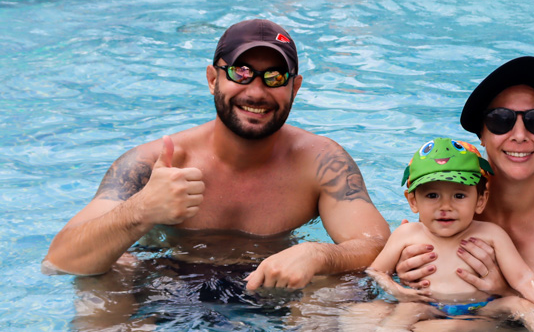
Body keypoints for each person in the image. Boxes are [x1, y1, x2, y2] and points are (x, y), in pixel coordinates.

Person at [44, 19, 390, 292]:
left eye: (274, 77)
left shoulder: (321, 162)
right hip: (169, 288)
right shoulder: (151, 163)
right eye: (241, 73)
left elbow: (377, 246)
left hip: (274, 289)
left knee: (342, 285)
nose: (256, 92)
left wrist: (319, 254)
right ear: (212, 79)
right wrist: (142, 210)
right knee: (104, 277)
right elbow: (60, 260)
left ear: (294, 88)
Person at [395, 58, 534, 332]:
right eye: (500, 120)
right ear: (481, 134)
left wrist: (507, 292)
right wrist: (403, 272)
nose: (520, 135)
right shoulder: (446, 202)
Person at [364, 138, 534, 332]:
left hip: (481, 308)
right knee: (406, 311)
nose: (445, 206)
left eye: (459, 196)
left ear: (480, 200)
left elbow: (523, 278)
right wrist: (398, 291)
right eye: (432, 195)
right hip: (425, 304)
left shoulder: (492, 234)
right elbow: (376, 271)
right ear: (413, 201)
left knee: (518, 304)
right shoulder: (406, 234)